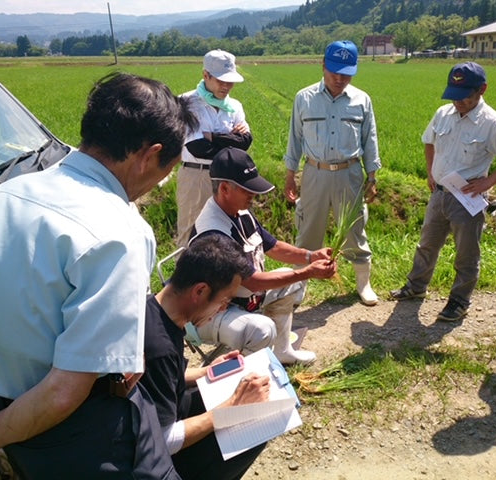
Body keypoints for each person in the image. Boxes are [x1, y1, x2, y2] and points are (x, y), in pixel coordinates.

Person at [0, 72, 196, 479]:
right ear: (148, 155)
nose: (161, 179)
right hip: (71, 429)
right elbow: (64, 392)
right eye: (168, 168)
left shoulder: (8, 194)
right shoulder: (118, 232)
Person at [390, 62, 496, 322]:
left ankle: (459, 301)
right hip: (440, 192)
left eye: (464, 95)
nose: (458, 102)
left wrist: (487, 184)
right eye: (454, 95)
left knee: (466, 252)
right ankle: (416, 287)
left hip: (468, 197)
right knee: (427, 244)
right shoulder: (443, 113)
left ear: (482, 90)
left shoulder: (493, 123)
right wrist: (430, 172)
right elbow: (429, 142)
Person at [188, 147, 337, 365]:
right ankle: (242, 380)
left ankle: (282, 352)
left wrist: (311, 257)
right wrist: (309, 272)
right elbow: (254, 282)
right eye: (247, 189)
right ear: (225, 189)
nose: (254, 195)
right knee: (260, 330)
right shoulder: (214, 233)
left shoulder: (239, 212)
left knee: (292, 281)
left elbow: (273, 246)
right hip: (207, 314)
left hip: (241, 299)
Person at [141, 234, 270, 480]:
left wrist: (205, 372)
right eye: (225, 301)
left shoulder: (154, 309)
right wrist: (233, 407)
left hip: (165, 411)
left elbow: (156, 381)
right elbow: (162, 441)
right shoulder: (160, 347)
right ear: (200, 291)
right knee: (256, 421)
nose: (223, 308)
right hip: (154, 457)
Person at [283, 40, 381, 306]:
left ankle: (363, 284)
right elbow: (295, 138)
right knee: (307, 232)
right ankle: (297, 289)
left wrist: (372, 177)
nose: (340, 78)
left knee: (354, 231)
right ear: (323, 65)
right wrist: (290, 174)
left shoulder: (362, 100)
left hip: (350, 174)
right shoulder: (304, 98)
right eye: (334, 71)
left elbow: (369, 140)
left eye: (346, 73)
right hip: (315, 172)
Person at [177, 49, 252, 247]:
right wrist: (230, 140)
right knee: (190, 232)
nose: (226, 86)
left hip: (227, 179)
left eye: (230, 81)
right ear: (205, 75)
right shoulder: (187, 103)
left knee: (229, 231)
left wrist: (213, 137)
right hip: (197, 176)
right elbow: (197, 147)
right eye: (221, 80)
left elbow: (245, 142)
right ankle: (186, 277)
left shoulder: (234, 106)